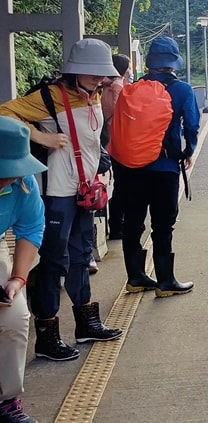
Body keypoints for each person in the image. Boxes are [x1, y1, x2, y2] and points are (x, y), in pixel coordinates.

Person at [0, 38, 122, 362]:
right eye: (93, 74)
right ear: (75, 72)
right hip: (58, 191)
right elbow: (4, 113)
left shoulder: (94, 95)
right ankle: (47, 335)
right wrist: (40, 136)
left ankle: (87, 322)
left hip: (85, 189)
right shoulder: (50, 96)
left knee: (82, 253)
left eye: (102, 75)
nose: (100, 80)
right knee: (54, 260)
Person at [117, 36, 199, 297]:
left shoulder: (132, 89)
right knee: (163, 224)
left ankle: (136, 278)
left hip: (130, 167)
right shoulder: (182, 90)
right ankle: (165, 282)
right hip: (164, 167)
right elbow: (192, 125)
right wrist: (189, 150)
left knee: (132, 221)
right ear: (173, 64)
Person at [0, 118, 46, 423]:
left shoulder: (23, 183)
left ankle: (7, 401)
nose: (12, 177)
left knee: (15, 316)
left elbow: (31, 229)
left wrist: (17, 279)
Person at [101, 53, 132, 240]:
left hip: (105, 136)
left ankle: (115, 223)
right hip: (117, 139)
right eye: (128, 68)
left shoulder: (102, 86)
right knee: (123, 185)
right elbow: (123, 112)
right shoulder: (118, 87)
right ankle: (117, 225)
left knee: (118, 183)